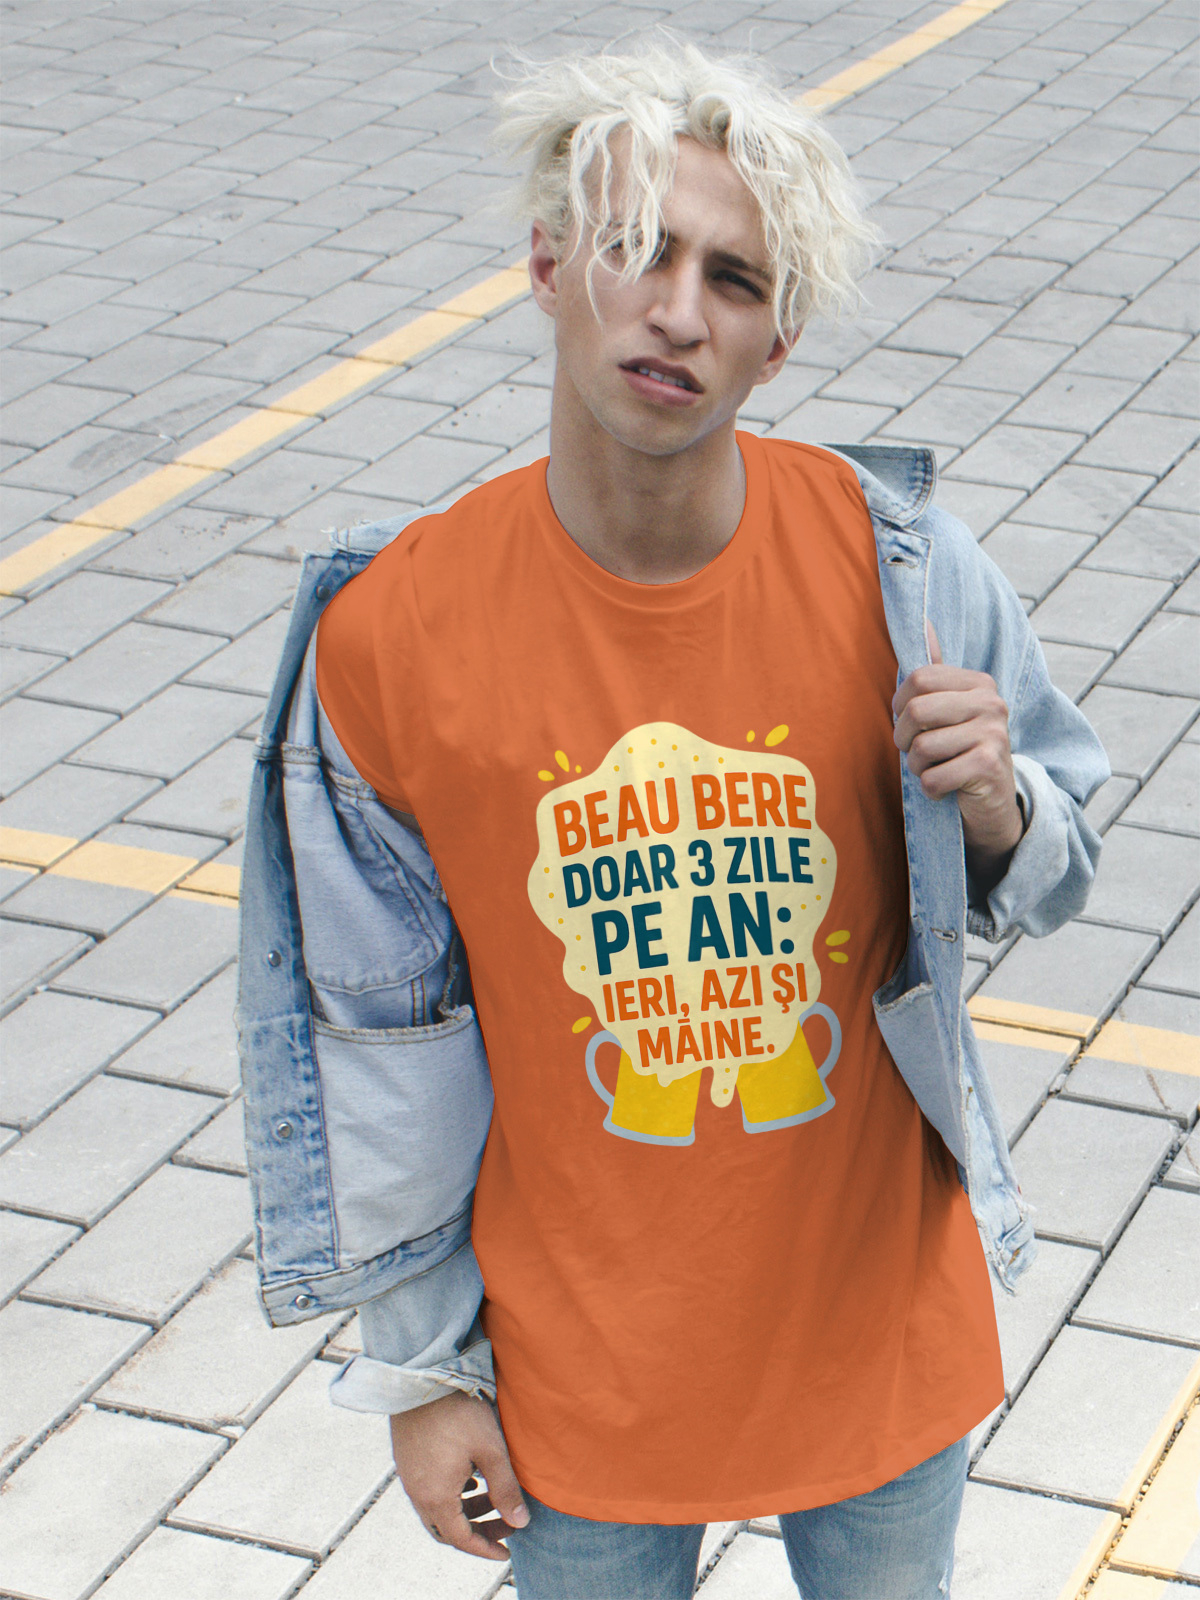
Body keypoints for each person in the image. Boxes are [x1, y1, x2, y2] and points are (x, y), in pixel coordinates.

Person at [238, 39, 1109, 1600]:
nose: (678, 310)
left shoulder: (904, 573)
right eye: (637, 249)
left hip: (875, 1344)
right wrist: (424, 1369)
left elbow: (1057, 871)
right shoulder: (392, 637)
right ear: (548, 265)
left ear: (778, 342)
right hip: (577, 1376)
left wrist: (1000, 807)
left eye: (734, 279)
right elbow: (375, 1047)